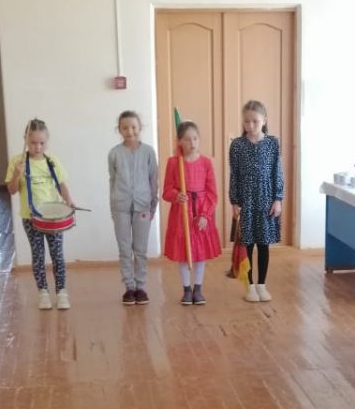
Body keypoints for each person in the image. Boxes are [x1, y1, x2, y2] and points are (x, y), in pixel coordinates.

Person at [6, 118, 75, 310]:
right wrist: (16, 175)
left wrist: (69, 200)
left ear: (47, 140)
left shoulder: (52, 161)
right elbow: (12, 190)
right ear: (25, 140)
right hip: (30, 217)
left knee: (57, 255)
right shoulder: (17, 162)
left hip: (53, 218)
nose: (37, 147)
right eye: (33, 143)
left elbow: (62, 185)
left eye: (42, 143)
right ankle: (43, 292)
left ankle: (61, 292)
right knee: (37, 255)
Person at [229, 100, 285, 303]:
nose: (250, 125)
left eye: (255, 121)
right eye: (246, 121)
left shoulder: (272, 143)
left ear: (264, 121)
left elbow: (277, 172)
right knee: (247, 243)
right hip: (246, 202)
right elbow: (234, 175)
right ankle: (250, 286)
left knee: (263, 244)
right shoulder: (237, 145)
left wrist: (278, 199)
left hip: (266, 200)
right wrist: (234, 202)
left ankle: (262, 285)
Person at [162, 120, 222, 305]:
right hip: (181, 212)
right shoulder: (173, 163)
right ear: (179, 141)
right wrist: (176, 195)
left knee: (200, 253)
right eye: (187, 139)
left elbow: (212, 193)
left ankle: (198, 288)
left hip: (201, 212)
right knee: (184, 251)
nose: (192, 143)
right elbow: (166, 190)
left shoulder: (206, 162)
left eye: (195, 138)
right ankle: (186, 289)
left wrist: (205, 214)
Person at [108, 110, 158, 305]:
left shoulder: (148, 152)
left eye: (133, 127)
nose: (130, 131)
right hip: (120, 206)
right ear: (119, 130)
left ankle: (140, 287)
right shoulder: (114, 153)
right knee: (124, 248)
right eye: (125, 128)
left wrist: (152, 205)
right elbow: (112, 180)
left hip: (143, 205)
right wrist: (112, 206)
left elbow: (153, 180)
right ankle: (129, 287)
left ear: (140, 128)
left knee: (140, 249)